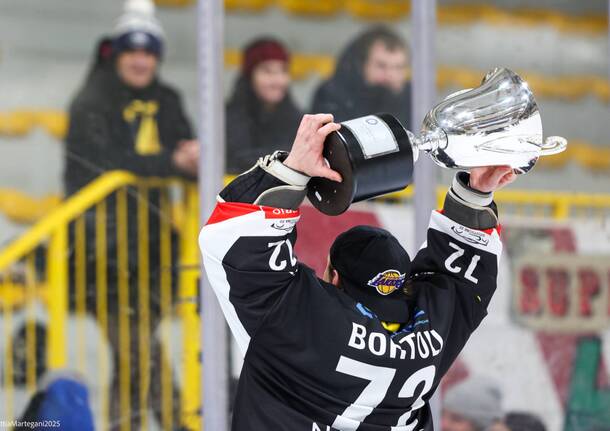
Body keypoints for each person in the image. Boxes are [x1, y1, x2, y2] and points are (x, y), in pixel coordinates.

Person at [199, 113, 516, 430]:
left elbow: (234, 243)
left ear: (333, 275)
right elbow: (464, 274)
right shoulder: (433, 330)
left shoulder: (299, 321)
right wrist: (476, 193)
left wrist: (292, 170)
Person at [63, 0, 195, 428]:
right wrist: (171, 163)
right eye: (132, 51)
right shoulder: (91, 101)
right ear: (117, 54)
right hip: (102, 254)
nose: (141, 60)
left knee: (136, 355)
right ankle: (175, 423)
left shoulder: (169, 98)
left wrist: (191, 160)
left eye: (149, 51)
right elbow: (104, 164)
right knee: (140, 352)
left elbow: (188, 152)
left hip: (153, 252)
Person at [225, 37, 302, 174]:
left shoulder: (298, 119)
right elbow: (235, 161)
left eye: (283, 71)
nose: (277, 80)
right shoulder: (227, 119)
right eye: (267, 71)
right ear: (250, 76)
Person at [311, 26, 412, 128]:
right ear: (362, 65)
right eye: (381, 66)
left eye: (398, 67)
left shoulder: (414, 100)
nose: (391, 75)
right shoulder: (332, 96)